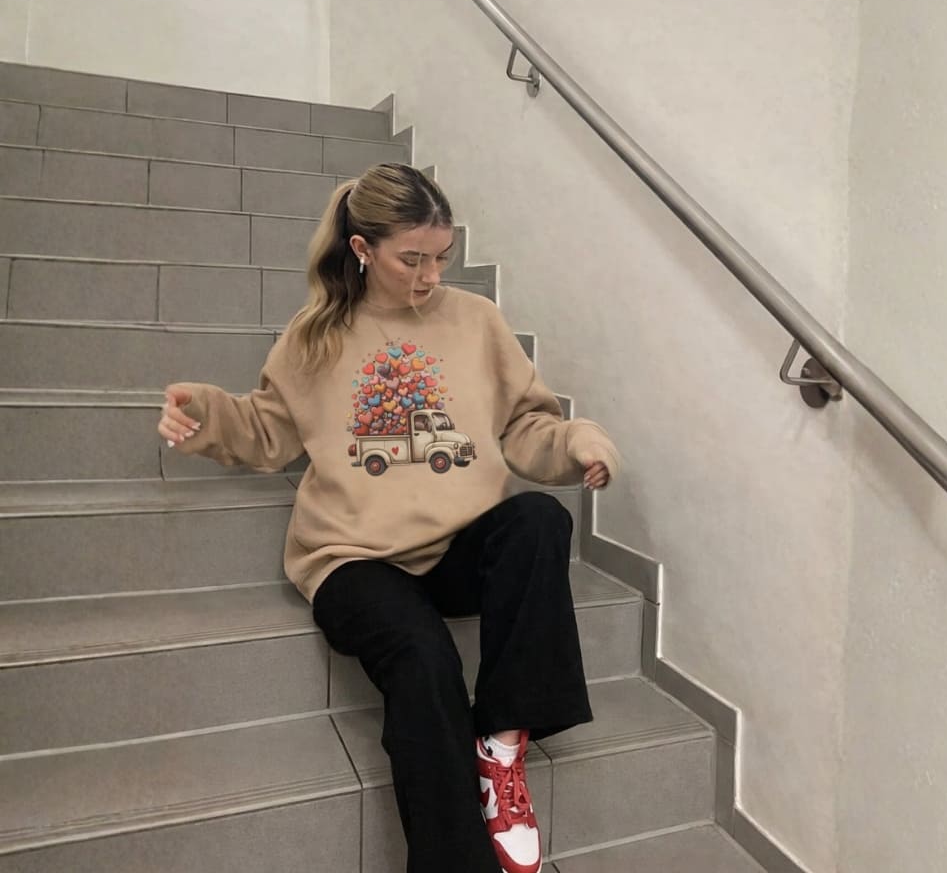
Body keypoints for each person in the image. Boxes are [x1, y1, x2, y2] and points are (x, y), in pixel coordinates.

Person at [157, 163, 620, 873]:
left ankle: (498, 749)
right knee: (424, 659)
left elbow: (529, 423)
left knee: (538, 523)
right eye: (413, 258)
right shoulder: (315, 337)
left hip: (453, 544)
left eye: (443, 256)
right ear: (363, 248)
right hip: (351, 558)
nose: (431, 275)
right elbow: (267, 430)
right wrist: (205, 414)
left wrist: (575, 441)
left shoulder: (476, 322)